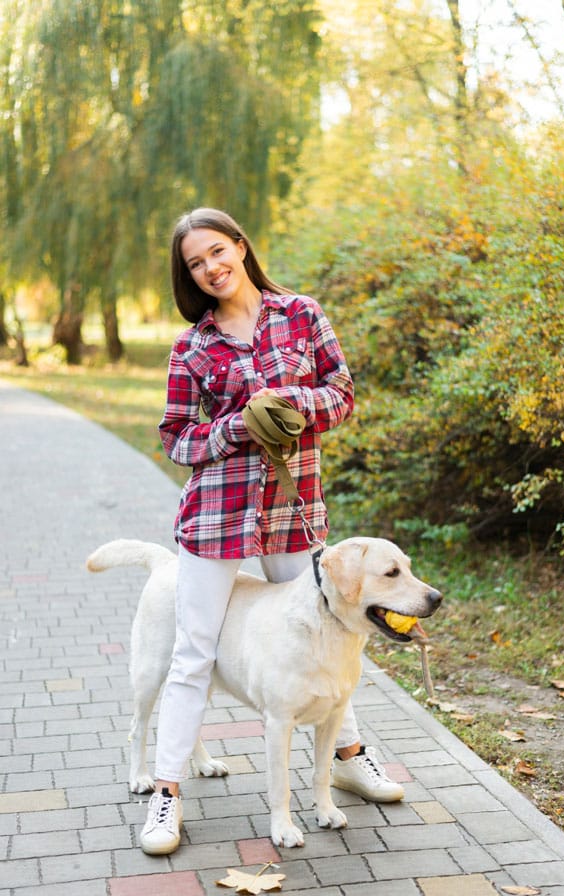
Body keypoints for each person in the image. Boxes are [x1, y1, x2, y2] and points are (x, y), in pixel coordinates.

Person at [140, 207, 404, 856]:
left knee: (333, 630)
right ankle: (166, 792)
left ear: (240, 245)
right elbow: (176, 438)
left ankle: (348, 753)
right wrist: (235, 427)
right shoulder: (193, 346)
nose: (210, 269)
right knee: (193, 652)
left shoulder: (302, 315)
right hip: (216, 515)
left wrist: (292, 406)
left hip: (294, 511)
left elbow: (341, 392)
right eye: (195, 264)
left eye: (216, 252)